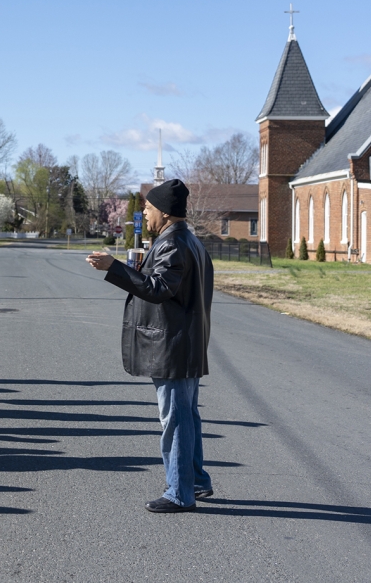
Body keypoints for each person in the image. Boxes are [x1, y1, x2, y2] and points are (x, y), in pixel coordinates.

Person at [85, 179, 213, 513]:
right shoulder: (189, 241)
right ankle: (195, 481)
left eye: (148, 207)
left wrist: (114, 268)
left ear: (165, 212)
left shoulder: (174, 244)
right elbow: (168, 285)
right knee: (187, 415)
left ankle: (179, 492)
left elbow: (158, 289)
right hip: (186, 342)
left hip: (173, 344)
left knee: (175, 418)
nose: (144, 211)